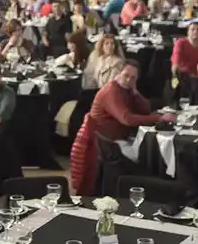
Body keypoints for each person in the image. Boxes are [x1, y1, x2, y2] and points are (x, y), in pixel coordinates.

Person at [68, 60, 165, 195]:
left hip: (118, 139)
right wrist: (160, 118)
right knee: (148, 159)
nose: (128, 80)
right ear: (118, 74)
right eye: (126, 75)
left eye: (133, 78)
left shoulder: (126, 89)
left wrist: (135, 92)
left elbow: (146, 109)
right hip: (108, 144)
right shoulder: (111, 91)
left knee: (150, 153)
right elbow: (127, 119)